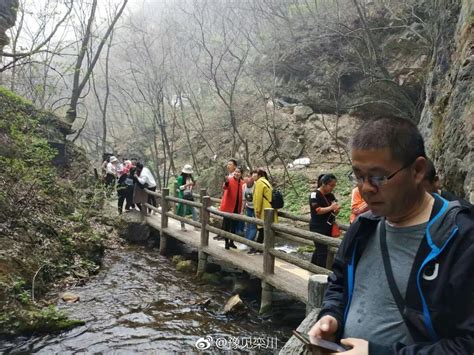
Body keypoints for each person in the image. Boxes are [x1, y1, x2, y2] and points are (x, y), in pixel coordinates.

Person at [308, 117, 473, 354]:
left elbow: (467, 344)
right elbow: (340, 281)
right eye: (358, 175)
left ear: (417, 170)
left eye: (378, 177)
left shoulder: (461, 238)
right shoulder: (364, 226)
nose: (365, 188)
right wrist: (331, 315)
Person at [309, 173, 340, 266]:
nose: (333, 187)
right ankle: (320, 274)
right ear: (323, 183)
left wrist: (336, 210)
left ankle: (312, 268)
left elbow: (334, 210)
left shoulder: (331, 195)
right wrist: (331, 208)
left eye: (334, 185)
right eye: (331, 185)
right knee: (323, 253)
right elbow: (317, 210)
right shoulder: (314, 195)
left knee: (320, 249)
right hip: (318, 227)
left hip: (329, 226)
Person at [249, 168, 278, 254]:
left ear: (260, 175)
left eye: (255, 173)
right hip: (269, 208)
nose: (253, 175)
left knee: (262, 228)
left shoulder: (259, 182)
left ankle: (259, 248)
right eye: (253, 173)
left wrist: (257, 210)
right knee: (265, 229)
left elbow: (258, 198)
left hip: (264, 209)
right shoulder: (266, 181)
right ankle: (262, 247)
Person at [219, 166, 244, 250]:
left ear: (241, 174)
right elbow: (225, 187)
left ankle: (231, 242)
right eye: (236, 172)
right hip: (228, 206)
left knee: (234, 225)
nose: (236, 173)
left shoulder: (242, 183)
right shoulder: (229, 180)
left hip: (237, 207)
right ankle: (226, 242)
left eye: (239, 172)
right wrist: (226, 182)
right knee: (227, 225)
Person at [214, 158, 238, 241]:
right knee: (225, 218)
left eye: (230, 164)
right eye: (228, 164)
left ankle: (224, 235)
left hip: (231, 200)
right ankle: (221, 234)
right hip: (226, 198)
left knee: (228, 219)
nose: (228, 166)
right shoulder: (229, 175)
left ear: (235, 166)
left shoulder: (235, 176)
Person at [239, 170, 258, 250]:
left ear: (252, 178)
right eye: (245, 180)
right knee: (248, 225)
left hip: (255, 208)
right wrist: (242, 210)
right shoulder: (244, 186)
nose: (247, 181)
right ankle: (246, 242)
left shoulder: (256, 185)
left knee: (253, 226)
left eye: (249, 179)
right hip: (249, 207)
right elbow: (244, 199)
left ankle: (248, 242)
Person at [176, 164, 198, 231]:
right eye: (187, 173)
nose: (188, 174)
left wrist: (193, 184)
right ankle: (182, 226)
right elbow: (180, 187)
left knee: (194, 210)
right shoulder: (180, 178)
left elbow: (192, 186)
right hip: (183, 196)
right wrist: (187, 184)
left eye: (189, 173)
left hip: (189, 195)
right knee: (183, 211)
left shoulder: (191, 178)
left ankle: (195, 225)